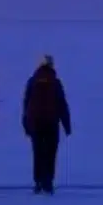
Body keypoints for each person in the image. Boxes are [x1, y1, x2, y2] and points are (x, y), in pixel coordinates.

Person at [21, 54, 72, 194]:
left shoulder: (32, 81)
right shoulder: (55, 82)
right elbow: (62, 104)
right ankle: (48, 181)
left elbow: (26, 103)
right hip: (51, 122)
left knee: (37, 152)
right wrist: (67, 124)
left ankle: (38, 181)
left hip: (36, 122)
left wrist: (26, 122)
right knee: (50, 153)